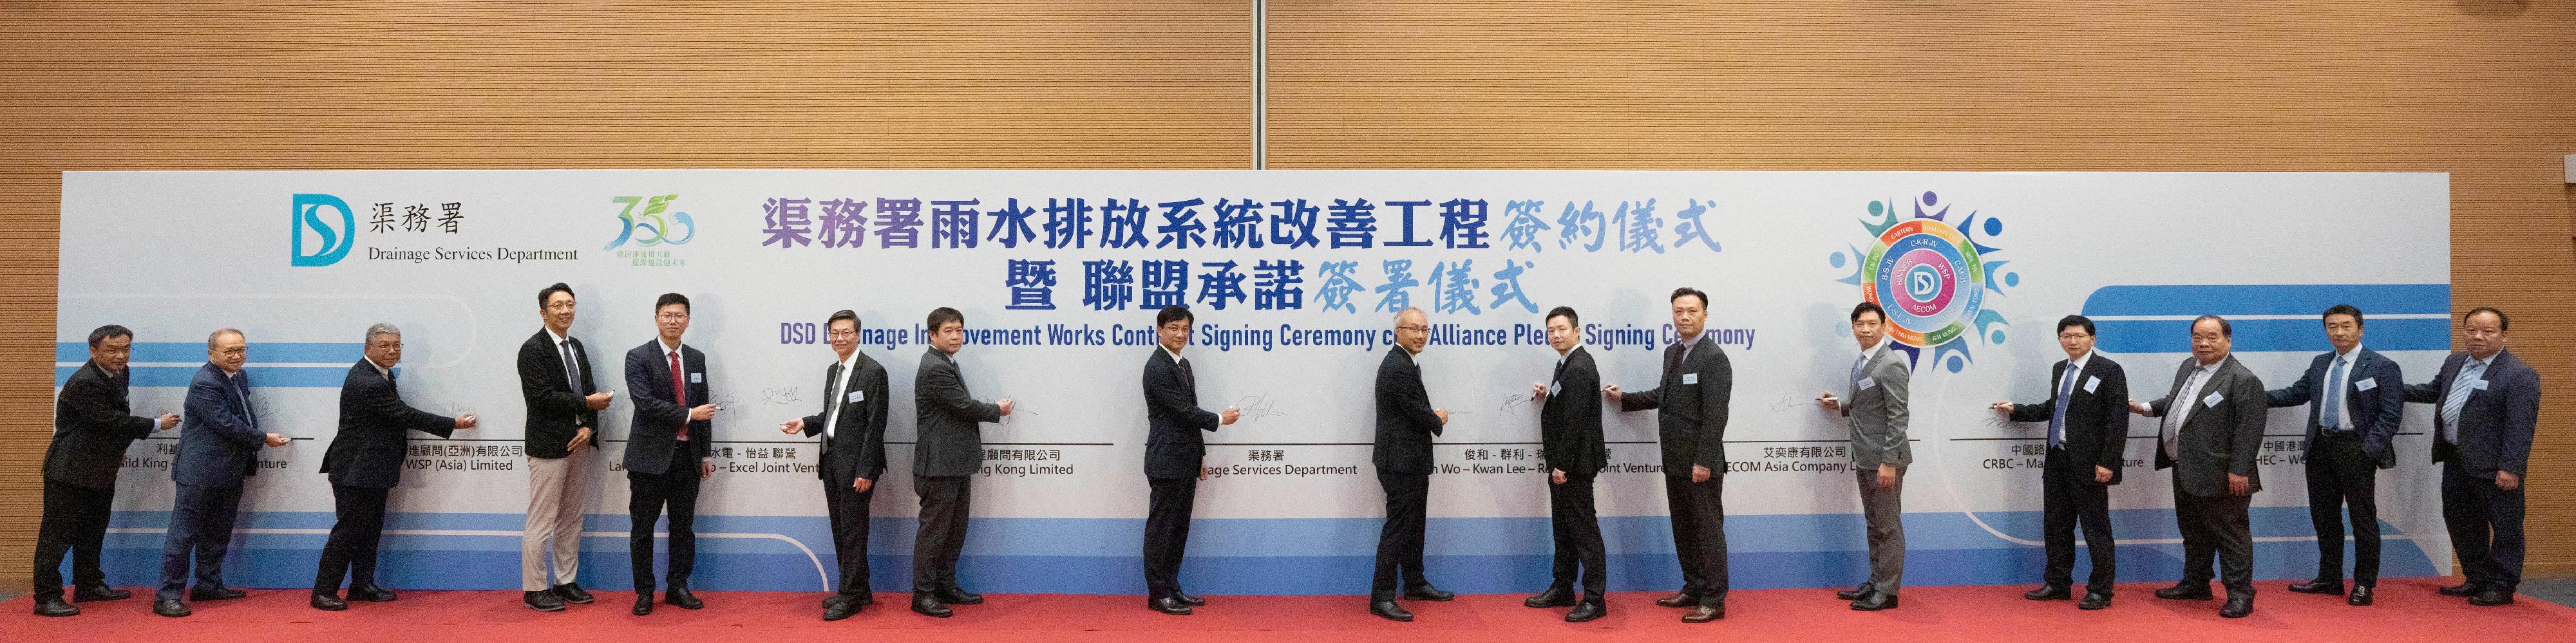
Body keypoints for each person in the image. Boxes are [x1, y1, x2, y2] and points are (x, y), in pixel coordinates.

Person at [313, 323, 477, 611]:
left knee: (370, 530)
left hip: (371, 468)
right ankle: (323, 592)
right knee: (349, 531)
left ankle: (362, 585)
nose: (392, 350)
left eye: (397, 345)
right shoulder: (369, 381)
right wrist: (452, 423)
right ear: (368, 348)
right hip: (356, 470)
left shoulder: (379, 375)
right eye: (385, 345)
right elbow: (402, 414)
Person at [1605, 288, 1732, 623]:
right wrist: (1625, 399)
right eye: (1678, 311)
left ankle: (1714, 599)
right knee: (1684, 529)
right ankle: (1693, 586)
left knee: (1707, 530)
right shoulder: (1673, 353)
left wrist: (1704, 461)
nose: (1684, 317)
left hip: (1700, 464)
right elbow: (1666, 395)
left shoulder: (1714, 357)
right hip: (1674, 460)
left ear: (1705, 314)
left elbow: (1716, 415)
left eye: (1691, 311)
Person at [2262, 304, 2402, 606]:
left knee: (2362, 519)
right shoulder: (2320, 363)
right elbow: (2295, 394)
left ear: (2360, 329)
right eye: (2332, 326)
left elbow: (2391, 415)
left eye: (2346, 326)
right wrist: (2250, 397)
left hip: (2357, 449)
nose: (2338, 332)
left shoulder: (2382, 366)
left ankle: (2364, 583)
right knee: (2324, 517)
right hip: (2320, 448)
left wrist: (2369, 450)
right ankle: (2329, 578)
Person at [33, 324, 177, 617]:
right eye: (113, 350)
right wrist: (157, 424)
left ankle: (88, 584)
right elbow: (111, 421)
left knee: (93, 530)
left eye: (126, 349)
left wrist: (117, 449)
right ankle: (46, 597)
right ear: (93, 351)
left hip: (100, 468)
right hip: (69, 471)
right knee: (57, 536)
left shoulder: (120, 373)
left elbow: (115, 420)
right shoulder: (84, 382)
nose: (121, 356)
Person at [2128, 315, 2266, 619]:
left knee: (2231, 536)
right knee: (2193, 532)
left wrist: (2239, 470)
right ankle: (2196, 583)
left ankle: (2241, 594)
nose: (2203, 343)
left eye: (2212, 337)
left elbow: (2250, 430)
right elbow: (2179, 402)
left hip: (2224, 475)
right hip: (2186, 467)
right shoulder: (2188, 367)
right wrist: (2146, 408)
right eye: (2197, 337)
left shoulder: (2243, 380)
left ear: (2228, 341)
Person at [1991, 315, 2128, 610]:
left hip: (2090, 465)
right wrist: (2017, 410)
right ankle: (2058, 583)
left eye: (2079, 336)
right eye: (2066, 336)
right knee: (2056, 526)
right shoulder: (2060, 369)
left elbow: (2117, 421)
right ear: (2059, 340)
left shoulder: (2108, 370)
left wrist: (2108, 462)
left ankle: (2101, 591)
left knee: (2096, 529)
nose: (2072, 341)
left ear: (2093, 338)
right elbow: (2054, 408)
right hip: (2057, 460)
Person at [2405, 307, 2539, 606]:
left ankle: (2502, 585)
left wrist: (2511, 468)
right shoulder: (2455, 362)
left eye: (2488, 331)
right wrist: (2390, 390)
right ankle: (2476, 578)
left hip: (2495, 468)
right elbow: (2433, 392)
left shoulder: (2519, 375)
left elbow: (2521, 427)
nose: (2478, 337)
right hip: (2455, 460)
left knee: (2505, 528)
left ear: (2504, 335)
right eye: (2471, 330)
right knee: (2461, 521)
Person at [154, 328, 290, 617]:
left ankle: (208, 585)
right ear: (211, 354)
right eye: (229, 351)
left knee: (217, 532)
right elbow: (225, 423)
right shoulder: (205, 382)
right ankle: (167, 596)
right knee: (184, 535)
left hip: (229, 469)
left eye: (241, 349)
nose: (237, 356)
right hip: (200, 472)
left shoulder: (238, 376)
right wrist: (263, 438)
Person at [779, 310, 891, 621]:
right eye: (834, 334)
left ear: (858, 335)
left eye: (846, 333)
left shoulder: (873, 371)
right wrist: (805, 422)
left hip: (857, 466)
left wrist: (866, 470)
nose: (839, 338)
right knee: (842, 530)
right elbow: (833, 414)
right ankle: (860, 589)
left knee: (853, 531)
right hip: (831, 462)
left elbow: (875, 426)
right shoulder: (834, 370)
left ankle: (850, 596)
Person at [515, 283, 612, 611]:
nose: (566, 311)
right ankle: (534, 588)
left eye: (570, 304)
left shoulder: (577, 346)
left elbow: (590, 390)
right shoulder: (533, 349)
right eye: (558, 306)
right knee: (542, 520)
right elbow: (540, 398)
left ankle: (565, 581)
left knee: (571, 518)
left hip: (578, 443)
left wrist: (588, 425)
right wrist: (585, 402)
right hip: (548, 446)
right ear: (543, 312)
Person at [1139, 305, 1240, 615]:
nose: (1180, 334)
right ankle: (1158, 594)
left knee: (1179, 529)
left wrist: (1201, 456)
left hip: (1184, 459)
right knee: (1162, 529)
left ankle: (1173, 587)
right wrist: (1219, 419)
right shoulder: (1158, 367)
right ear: (1159, 330)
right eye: (1173, 328)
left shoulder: (1184, 364)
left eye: (1185, 329)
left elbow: (1187, 417)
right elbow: (1183, 411)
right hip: (1166, 460)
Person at [911, 306, 1010, 617]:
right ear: (932, 335)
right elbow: (964, 407)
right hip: (939, 466)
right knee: (935, 532)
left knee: (954, 530)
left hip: (954, 463)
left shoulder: (946, 362)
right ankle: (923, 594)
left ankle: (945, 585)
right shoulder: (935, 367)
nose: (955, 337)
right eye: (948, 331)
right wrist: (997, 409)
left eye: (959, 330)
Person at [623, 293, 717, 615]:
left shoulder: (696, 358)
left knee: (683, 527)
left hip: (687, 458)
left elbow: (705, 407)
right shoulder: (638, 357)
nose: (673, 321)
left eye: (679, 315)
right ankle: (645, 592)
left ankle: (678, 586)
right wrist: (689, 415)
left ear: (688, 321)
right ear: (656, 318)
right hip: (649, 459)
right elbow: (645, 404)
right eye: (667, 315)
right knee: (643, 528)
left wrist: (705, 454)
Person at [1817, 302, 1910, 611]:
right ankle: (1876, 581)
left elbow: (1898, 415)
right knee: (1875, 523)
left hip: (1884, 460)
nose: (1866, 330)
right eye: (1860, 325)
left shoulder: (1891, 363)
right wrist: (1841, 406)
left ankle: (1888, 592)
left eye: (1872, 324)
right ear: (1854, 328)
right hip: (1865, 456)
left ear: (1884, 327)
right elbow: (1869, 405)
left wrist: (1890, 462)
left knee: (1888, 525)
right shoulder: (1862, 361)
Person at [1368, 307, 1451, 622]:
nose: (1420, 335)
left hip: (1411, 461)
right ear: (1397, 331)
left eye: (1424, 330)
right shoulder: (1397, 367)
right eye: (1413, 329)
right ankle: (1382, 597)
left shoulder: (1407, 363)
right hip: (1400, 463)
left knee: (1414, 526)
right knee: (1398, 529)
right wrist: (1438, 419)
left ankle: (1414, 583)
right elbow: (1419, 412)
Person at [1524, 306, 1606, 622]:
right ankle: (1563, 586)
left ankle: (1595, 599)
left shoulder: (1581, 366)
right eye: (1551, 330)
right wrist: (1550, 395)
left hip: (1574, 464)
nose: (1556, 335)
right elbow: (1567, 405)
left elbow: (1575, 423)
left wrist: (1562, 465)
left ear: (1577, 331)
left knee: (1584, 531)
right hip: (1565, 462)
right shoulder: (1566, 364)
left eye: (1561, 329)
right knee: (1564, 528)